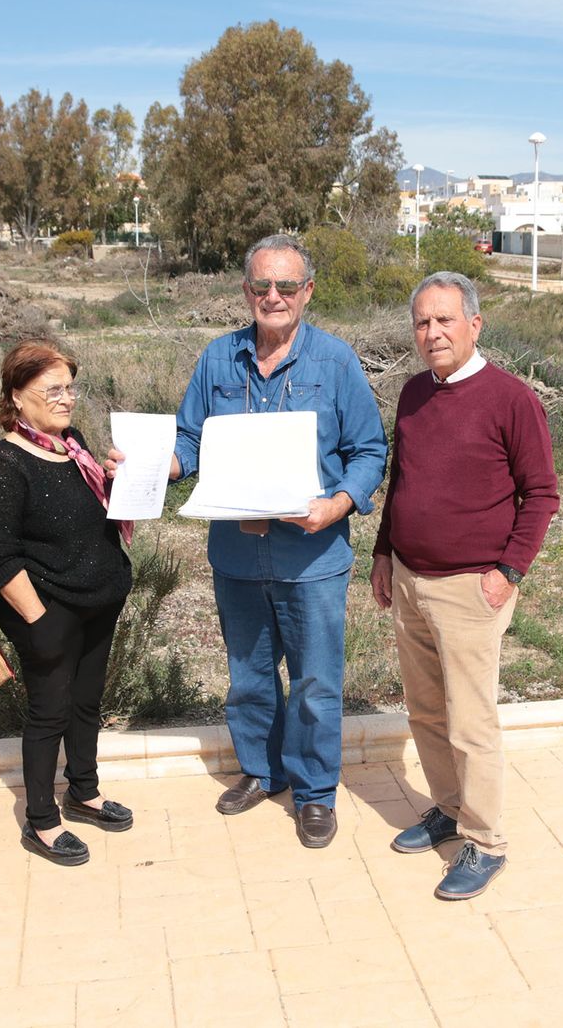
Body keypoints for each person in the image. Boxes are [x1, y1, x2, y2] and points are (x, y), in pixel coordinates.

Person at [106, 234, 387, 848]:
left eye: (287, 286)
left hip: (311, 555)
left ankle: (315, 792)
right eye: (262, 285)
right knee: (250, 675)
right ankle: (263, 772)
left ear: (307, 292)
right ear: (245, 291)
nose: (273, 296)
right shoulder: (217, 359)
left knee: (315, 680)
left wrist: (337, 503)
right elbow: (188, 441)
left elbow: (370, 451)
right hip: (235, 554)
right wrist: (151, 464)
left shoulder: (336, 362)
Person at [370, 271, 559, 900]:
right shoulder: (413, 394)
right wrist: (382, 553)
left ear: (475, 324)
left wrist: (509, 572)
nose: (433, 333)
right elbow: (402, 481)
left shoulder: (510, 398)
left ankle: (485, 840)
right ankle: (448, 810)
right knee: (426, 710)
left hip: (472, 588)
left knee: (471, 722)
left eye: (445, 320)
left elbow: (542, 494)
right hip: (409, 578)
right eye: (423, 322)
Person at [0, 341, 134, 869]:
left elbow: (89, 514)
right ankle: (41, 820)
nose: (66, 399)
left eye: (69, 387)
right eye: (52, 390)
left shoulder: (73, 446)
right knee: (49, 712)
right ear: (17, 397)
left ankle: (82, 792)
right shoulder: (7, 464)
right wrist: (38, 620)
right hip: (47, 609)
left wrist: (115, 483)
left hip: (97, 600)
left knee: (87, 701)